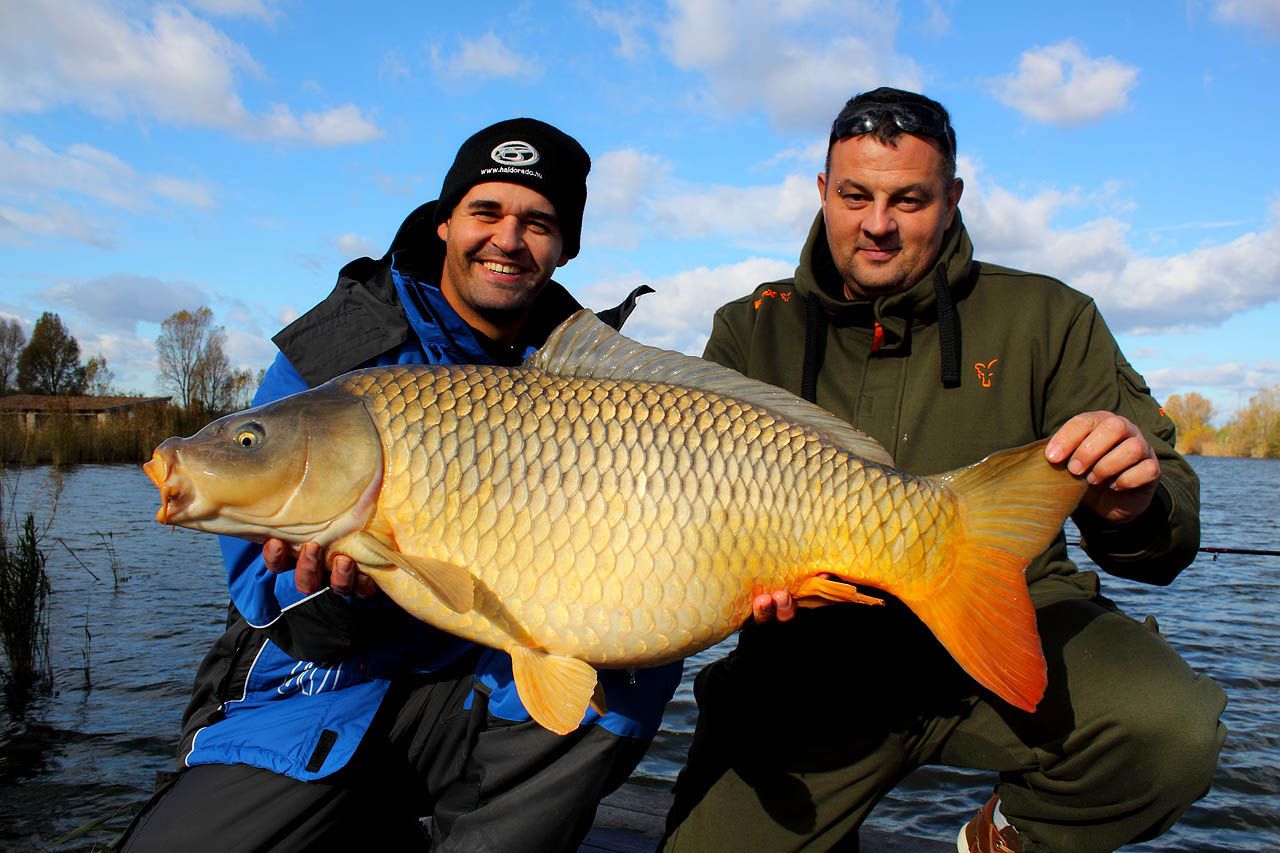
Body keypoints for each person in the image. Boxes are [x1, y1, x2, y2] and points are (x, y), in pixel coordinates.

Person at [661, 88, 1227, 853]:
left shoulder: (1050, 317)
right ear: (823, 191)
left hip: (1007, 627)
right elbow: (688, 519)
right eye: (855, 195)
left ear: (952, 197)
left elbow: (1170, 532)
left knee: (1168, 728)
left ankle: (1003, 836)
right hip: (811, 664)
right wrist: (726, 582)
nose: (878, 224)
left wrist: (1130, 507)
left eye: (910, 199)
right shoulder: (749, 327)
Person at [120, 118, 680, 852]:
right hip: (315, 694)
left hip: (483, 697)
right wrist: (329, 594)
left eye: (538, 222)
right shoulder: (335, 358)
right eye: (486, 212)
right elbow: (261, 597)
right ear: (445, 222)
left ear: (565, 247)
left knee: (635, 662)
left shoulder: (589, 374)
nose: (508, 239)